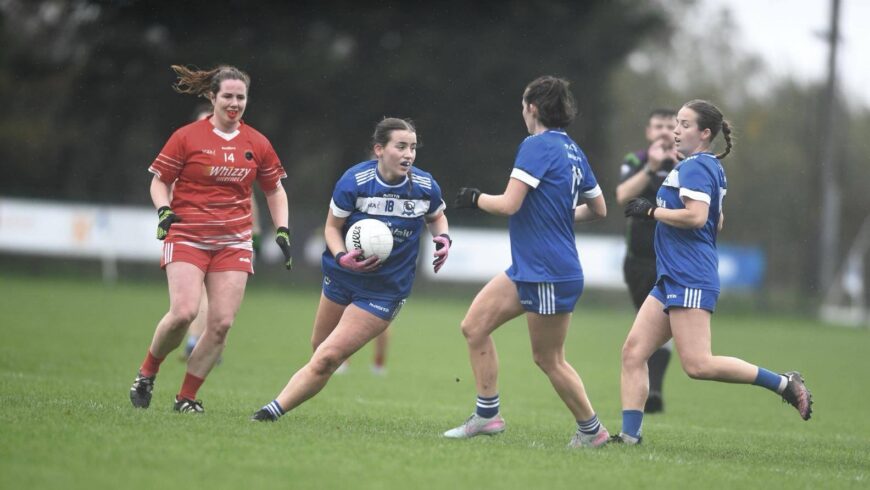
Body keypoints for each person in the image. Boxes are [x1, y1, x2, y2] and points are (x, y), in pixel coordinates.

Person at [614, 99, 813, 444]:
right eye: (676, 123)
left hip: (690, 276)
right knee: (633, 353)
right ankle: (630, 437)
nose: (676, 130)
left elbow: (698, 218)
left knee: (698, 365)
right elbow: (716, 220)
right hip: (672, 276)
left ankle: (784, 383)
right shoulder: (703, 166)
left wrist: (651, 213)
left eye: (685, 125)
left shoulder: (695, 168)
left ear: (705, 133)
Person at [445, 76, 610, 449]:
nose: (522, 111)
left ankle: (592, 431)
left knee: (549, 359)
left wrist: (475, 199)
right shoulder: (572, 150)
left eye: (523, 105)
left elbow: (508, 204)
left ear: (532, 108)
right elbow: (599, 209)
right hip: (530, 268)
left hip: (549, 272)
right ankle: (488, 416)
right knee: (474, 326)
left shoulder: (535, 146)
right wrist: (558, 214)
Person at [251, 117, 450, 422]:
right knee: (319, 348)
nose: (409, 154)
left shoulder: (424, 185)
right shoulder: (355, 181)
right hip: (342, 275)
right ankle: (303, 386)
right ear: (379, 149)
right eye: (401, 146)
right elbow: (332, 228)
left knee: (328, 357)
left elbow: (436, 216)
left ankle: (269, 412)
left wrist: (443, 238)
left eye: (412, 147)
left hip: (384, 289)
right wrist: (342, 255)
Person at [128, 64, 294, 413]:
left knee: (221, 325)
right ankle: (147, 373)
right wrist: (163, 210)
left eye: (241, 97)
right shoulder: (187, 136)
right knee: (184, 313)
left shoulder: (257, 142)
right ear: (212, 97)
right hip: (187, 234)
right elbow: (159, 180)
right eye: (228, 96)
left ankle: (186, 398)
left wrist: (282, 229)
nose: (235, 103)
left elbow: (274, 189)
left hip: (234, 241)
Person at [180, 104, 264, 361]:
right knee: (197, 301)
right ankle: (203, 342)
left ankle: (199, 341)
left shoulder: (230, 156)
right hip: (192, 235)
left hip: (224, 238)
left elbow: (248, 198)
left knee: (212, 297)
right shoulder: (188, 155)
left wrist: (255, 235)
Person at [614, 108, 678, 413]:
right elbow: (622, 196)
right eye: (658, 126)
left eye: (671, 126)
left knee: (668, 323)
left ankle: (654, 390)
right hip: (639, 260)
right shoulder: (635, 161)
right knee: (649, 322)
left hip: (674, 260)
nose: (665, 132)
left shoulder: (690, 165)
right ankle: (649, 389)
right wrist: (651, 168)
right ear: (648, 131)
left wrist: (678, 166)